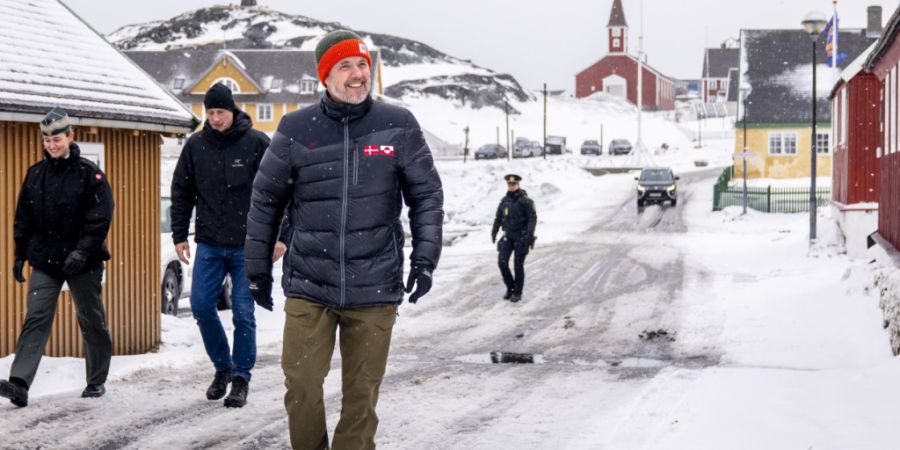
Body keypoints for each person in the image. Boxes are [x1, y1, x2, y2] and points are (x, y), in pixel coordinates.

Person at [244, 30, 443, 449]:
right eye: (345, 66)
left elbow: (425, 196)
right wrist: (257, 270)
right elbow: (265, 200)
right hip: (309, 284)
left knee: (361, 395)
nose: (357, 75)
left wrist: (425, 260)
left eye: (363, 65)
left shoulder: (397, 124)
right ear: (325, 76)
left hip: (375, 285)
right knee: (300, 384)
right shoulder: (297, 128)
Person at [0, 108, 114, 407]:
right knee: (36, 317)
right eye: (47, 139)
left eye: (57, 138)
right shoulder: (36, 174)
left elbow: (99, 219)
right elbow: (23, 218)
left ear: (70, 137)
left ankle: (96, 380)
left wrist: (82, 251)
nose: (52, 144)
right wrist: (19, 255)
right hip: (46, 260)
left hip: (83, 261)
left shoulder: (91, 175)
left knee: (91, 319)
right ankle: (19, 384)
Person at [170, 83, 270, 408]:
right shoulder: (195, 145)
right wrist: (179, 234)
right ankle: (223, 367)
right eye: (210, 112)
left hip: (247, 245)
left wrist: (276, 235)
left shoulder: (256, 144)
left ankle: (241, 378)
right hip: (210, 243)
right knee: (200, 306)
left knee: (243, 311)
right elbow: (182, 191)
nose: (215, 118)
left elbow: (276, 190)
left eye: (220, 112)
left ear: (232, 110)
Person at [491, 174, 537, 303]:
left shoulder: (526, 201)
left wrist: (529, 235)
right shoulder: (504, 201)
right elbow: (498, 218)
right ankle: (510, 288)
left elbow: (532, 219)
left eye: (513, 184)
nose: (511, 186)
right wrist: (494, 231)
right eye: (509, 184)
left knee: (518, 265)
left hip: (521, 237)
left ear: (518, 185)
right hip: (508, 236)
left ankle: (517, 292)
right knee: (502, 262)